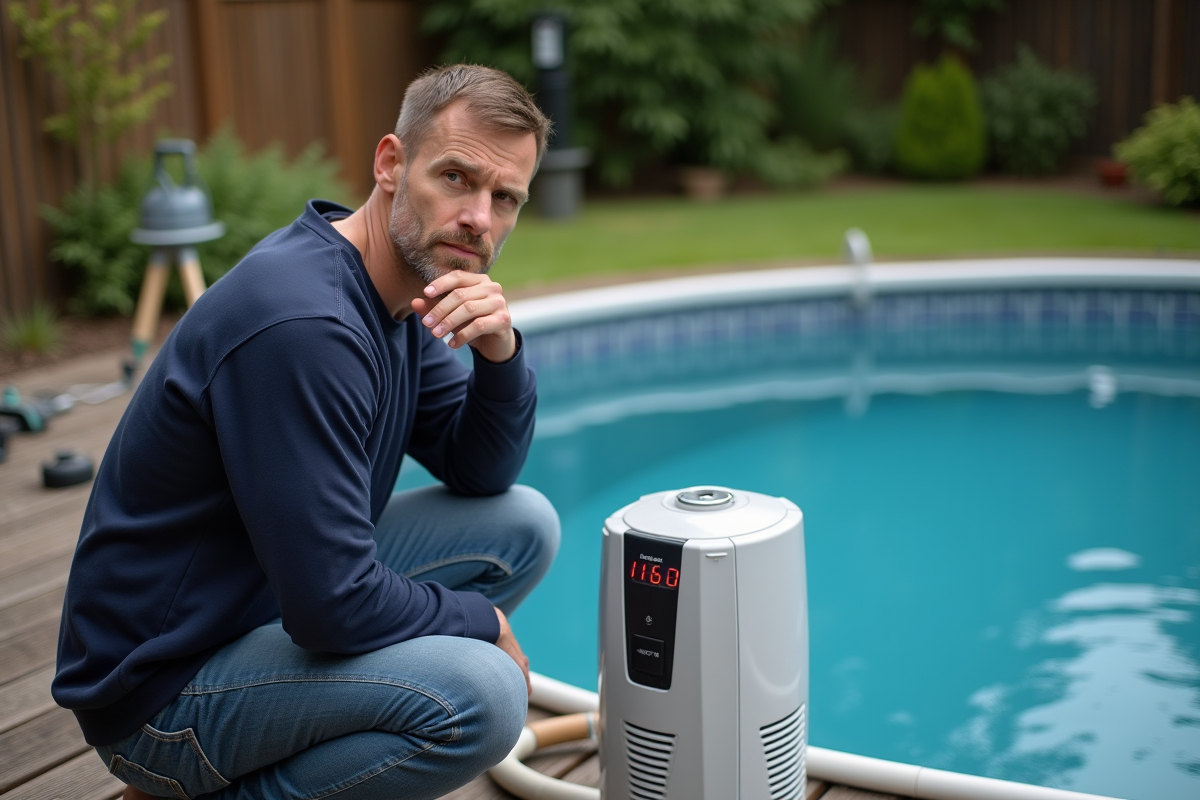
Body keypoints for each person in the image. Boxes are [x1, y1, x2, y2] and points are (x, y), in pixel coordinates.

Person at [52, 64, 561, 800]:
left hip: (261, 606)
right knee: (480, 697)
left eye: (504, 197)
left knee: (521, 526)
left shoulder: (402, 288)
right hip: (161, 687)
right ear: (391, 164)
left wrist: (500, 356)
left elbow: (478, 473)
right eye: (456, 177)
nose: (479, 218)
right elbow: (333, 606)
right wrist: (479, 620)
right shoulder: (305, 326)